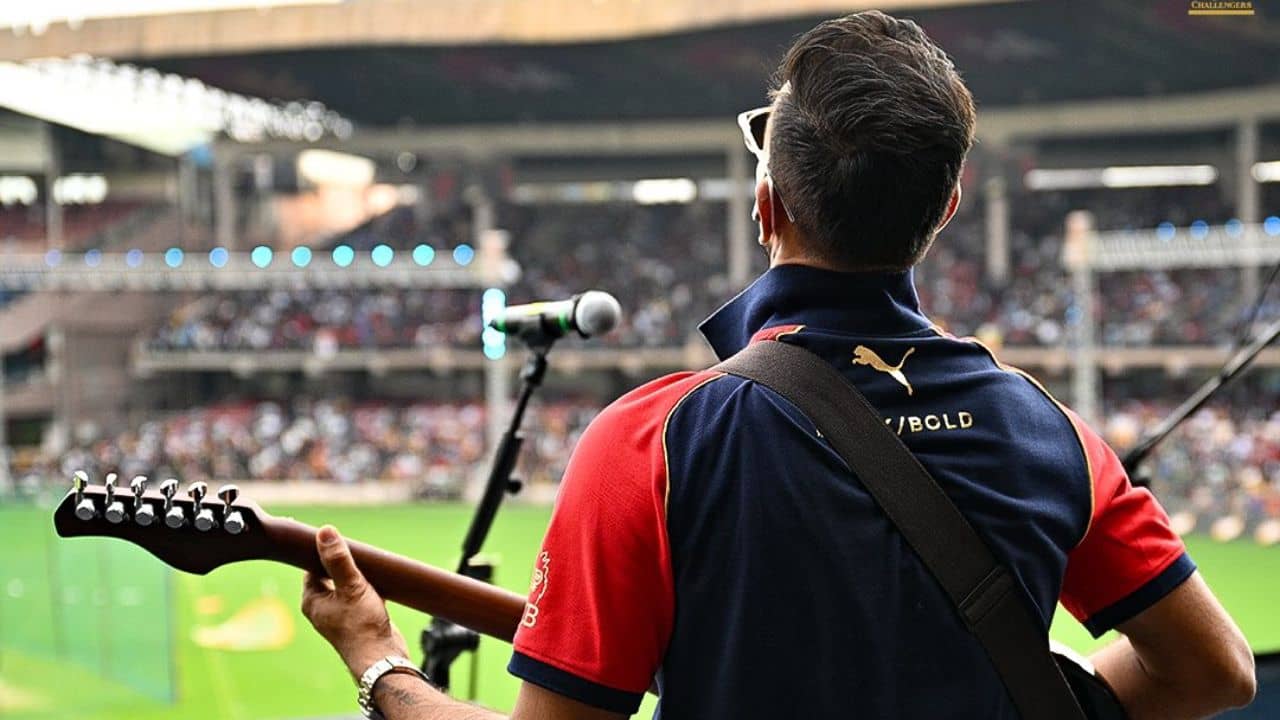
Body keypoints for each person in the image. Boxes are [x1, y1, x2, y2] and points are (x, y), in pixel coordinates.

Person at [301, 11, 1255, 720]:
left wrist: (377, 659)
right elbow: (1215, 670)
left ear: (768, 208)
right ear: (947, 209)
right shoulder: (1052, 434)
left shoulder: (650, 444)